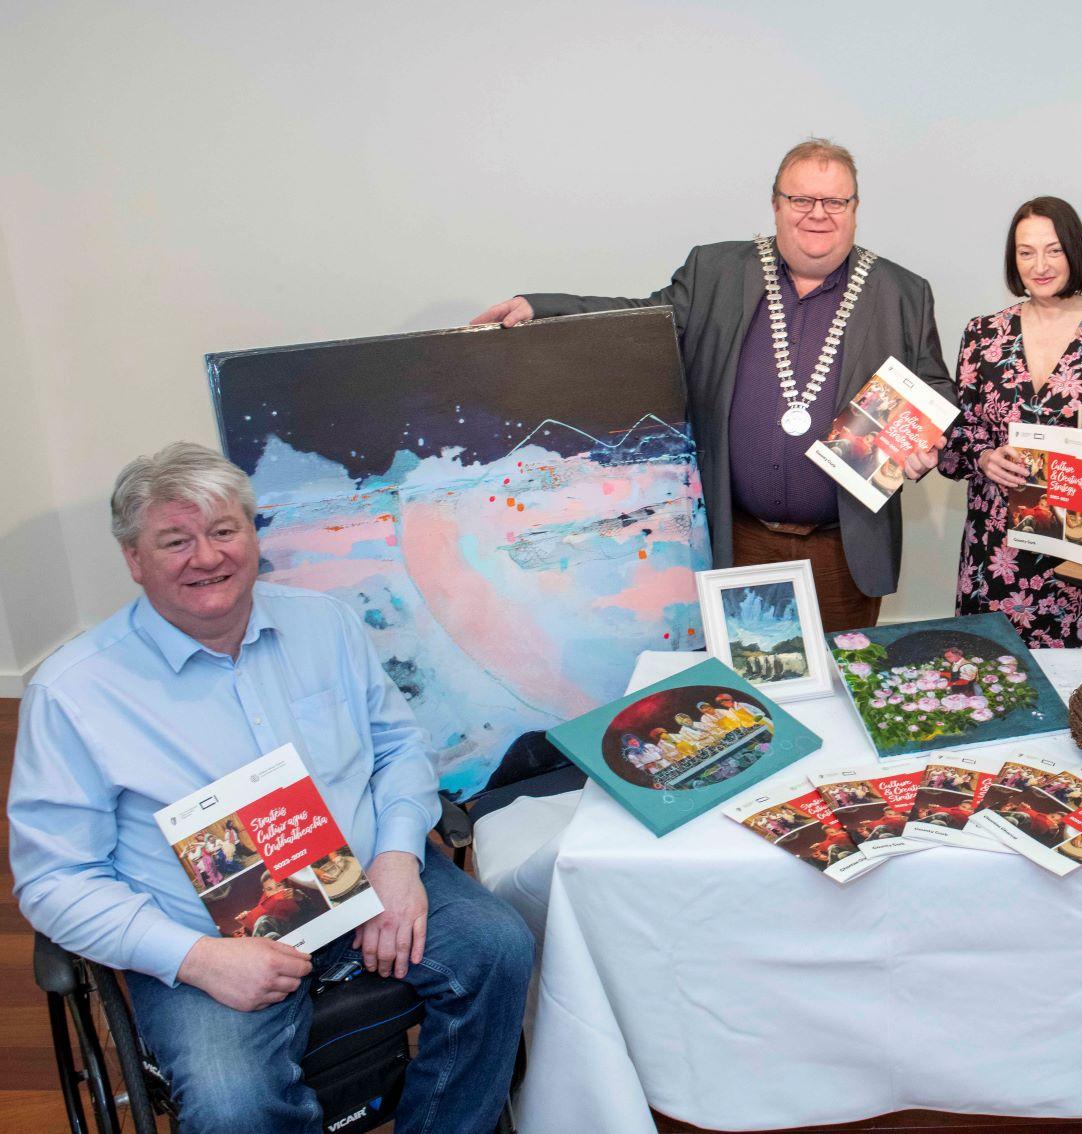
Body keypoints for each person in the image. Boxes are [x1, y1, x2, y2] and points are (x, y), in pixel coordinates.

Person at [8, 442, 534, 1134]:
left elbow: (398, 748)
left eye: (224, 530)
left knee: (500, 949)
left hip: (365, 877)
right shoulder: (73, 693)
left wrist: (400, 859)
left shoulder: (327, 625)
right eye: (175, 540)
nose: (207, 557)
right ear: (134, 561)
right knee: (234, 1105)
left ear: (253, 534)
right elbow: (54, 880)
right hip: (204, 935)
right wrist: (197, 959)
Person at [471, 138, 951, 632]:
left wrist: (924, 444)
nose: (818, 214)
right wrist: (543, 308)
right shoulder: (716, 271)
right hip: (734, 543)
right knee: (742, 695)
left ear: (854, 209)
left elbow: (934, 387)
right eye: (801, 199)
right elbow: (642, 323)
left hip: (843, 550)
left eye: (834, 201)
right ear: (776, 205)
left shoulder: (902, 292)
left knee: (838, 692)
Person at [940, 196, 1082, 647]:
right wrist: (984, 457)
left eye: (1054, 250)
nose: (1039, 265)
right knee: (993, 677)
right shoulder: (983, 334)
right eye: (1026, 252)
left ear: (1075, 251)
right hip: (996, 546)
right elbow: (958, 432)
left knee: (1078, 690)